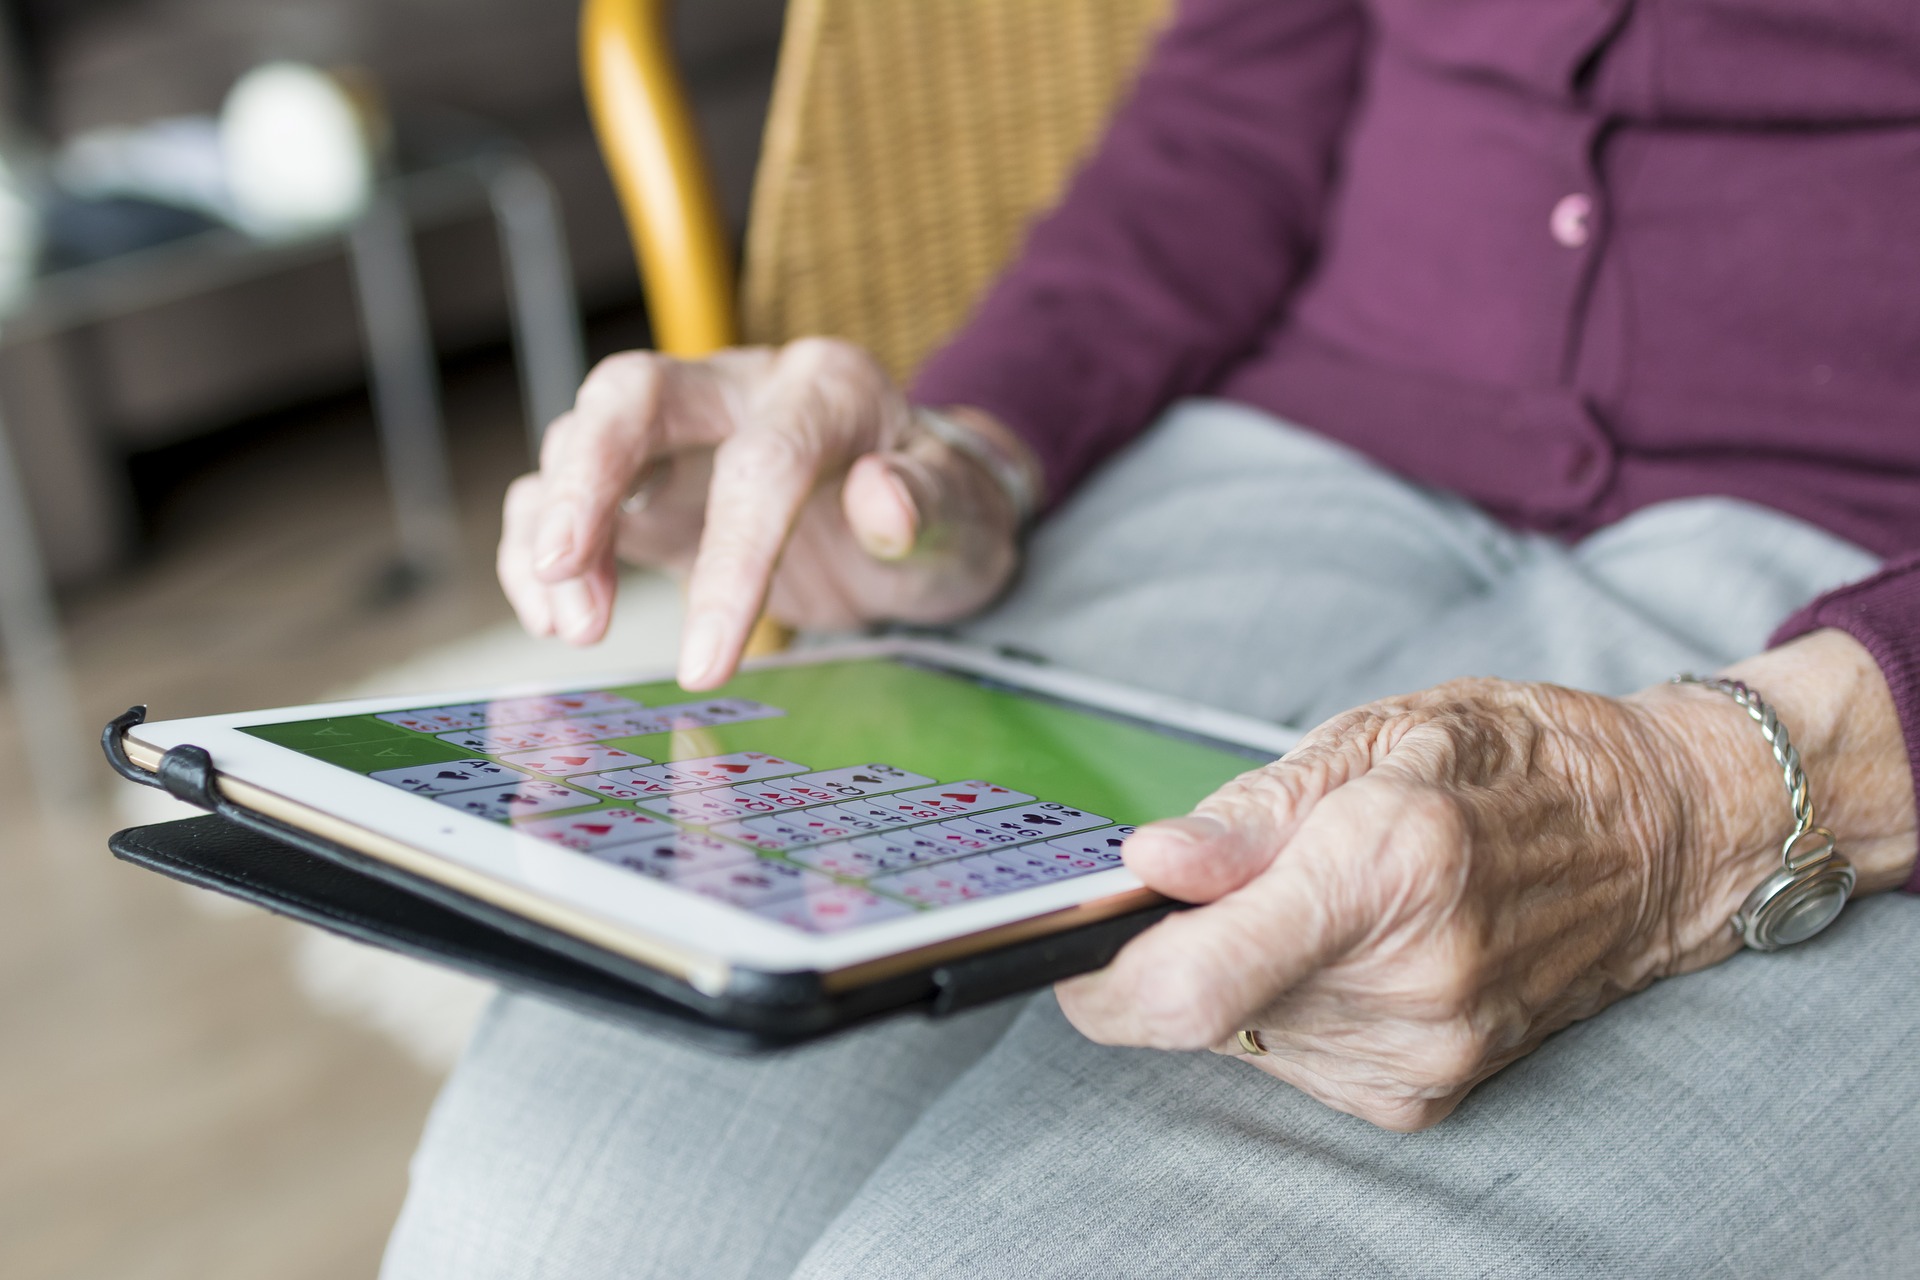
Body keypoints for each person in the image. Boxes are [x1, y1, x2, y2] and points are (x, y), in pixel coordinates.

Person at [384, 2, 1920, 1275]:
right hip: (1287, 444)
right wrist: (960, 469)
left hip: (1848, 606)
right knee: (542, 1220)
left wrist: (1697, 806)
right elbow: (1238, 107)